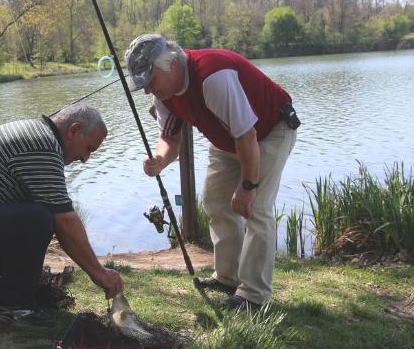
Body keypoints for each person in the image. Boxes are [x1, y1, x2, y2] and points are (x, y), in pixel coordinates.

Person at [125, 34, 299, 312]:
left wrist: (248, 185)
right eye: (141, 84)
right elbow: (170, 138)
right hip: (229, 139)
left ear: (170, 65)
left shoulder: (213, 75)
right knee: (216, 202)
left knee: (257, 209)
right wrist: (160, 159)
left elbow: (247, 135)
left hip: (269, 131)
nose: (147, 90)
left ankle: (254, 296)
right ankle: (228, 278)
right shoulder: (165, 94)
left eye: (150, 80)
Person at [0, 103, 124, 327]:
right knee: (39, 218)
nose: (85, 159)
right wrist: (99, 273)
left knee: (32, 209)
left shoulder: (38, 133)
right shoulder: (42, 145)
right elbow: (65, 221)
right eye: (88, 149)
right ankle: (8, 304)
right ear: (74, 130)